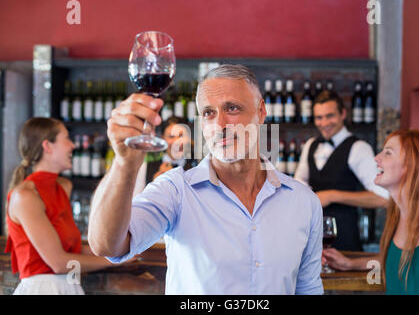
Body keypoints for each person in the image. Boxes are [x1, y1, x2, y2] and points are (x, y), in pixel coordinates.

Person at [88, 64, 324, 294]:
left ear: (261, 112)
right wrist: (124, 163)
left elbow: (308, 288)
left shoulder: (303, 201)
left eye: (232, 109)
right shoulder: (176, 190)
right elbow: (107, 245)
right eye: (209, 113)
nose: (219, 125)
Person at [4, 117, 132, 295]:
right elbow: (58, 263)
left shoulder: (63, 187)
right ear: (47, 146)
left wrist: (121, 251)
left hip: (69, 285)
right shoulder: (24, 195)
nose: (72, 145)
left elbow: (75, 249)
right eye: (66, 139)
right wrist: (116, 260)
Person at [322, 129, 419, 294]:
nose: (376, 158)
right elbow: (396, 262)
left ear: (412, 165)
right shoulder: (396, 213)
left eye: (388, 153)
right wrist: (349, 264)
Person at [294, 90, 389, 251]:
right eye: (319, 117)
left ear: (343, 114)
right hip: (311, 240)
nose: (324, 123)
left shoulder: (359, 148)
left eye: (330, 116)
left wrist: (332, 196)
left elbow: (383, 198)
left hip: (345, 240)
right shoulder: (311, 145)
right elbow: (298, 185)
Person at [133, 116, 193, 196]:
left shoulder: (197, 167)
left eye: (181, 136)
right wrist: (155, 185)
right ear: (163, 139)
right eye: (171, 137)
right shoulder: (145, 168)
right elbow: (136, 202)